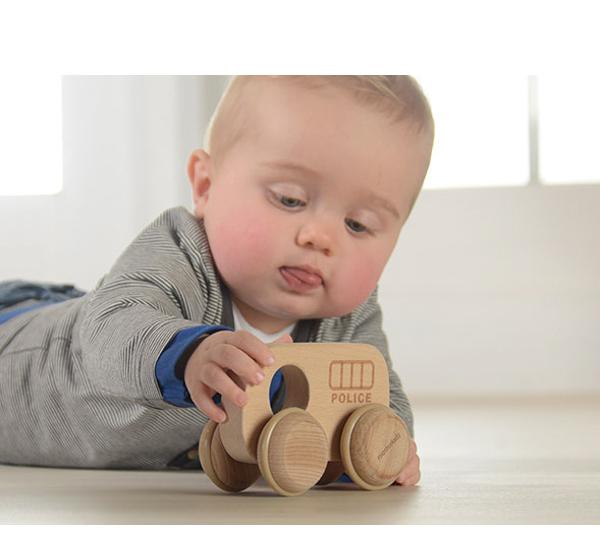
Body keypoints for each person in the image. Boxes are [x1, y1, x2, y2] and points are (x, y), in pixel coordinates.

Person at [0, 76, 434, 487]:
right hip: (20, 348)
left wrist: (381, 450)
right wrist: (189, 354)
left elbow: (376, 400)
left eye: (358, 225)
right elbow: (107, 329)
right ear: (206, 186)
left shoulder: (346, 320)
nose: (319, 237)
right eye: (290, 199)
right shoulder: (184, 250)